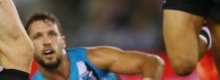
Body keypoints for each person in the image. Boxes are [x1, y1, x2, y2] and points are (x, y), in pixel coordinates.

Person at [25, 11, 165, 80]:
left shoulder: (92, 59)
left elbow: (153, 62)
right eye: (38, 36)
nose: (46, 41)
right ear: (29, 47)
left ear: (63, 42)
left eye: (51, 34)